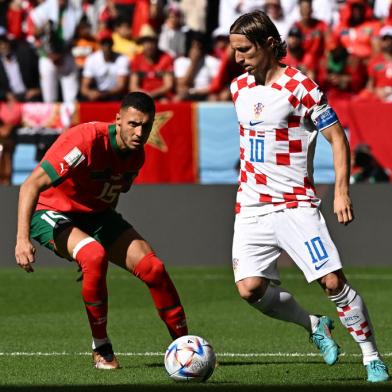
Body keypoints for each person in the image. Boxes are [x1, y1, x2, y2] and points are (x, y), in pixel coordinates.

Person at [229, 11, 389, 383]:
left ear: (269, 44)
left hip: (294, 204)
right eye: (234, 50)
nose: (237, 59)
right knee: (250, 289)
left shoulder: (302, 87)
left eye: (244, 49)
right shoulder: (239, 88)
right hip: (251, 204)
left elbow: (338, 139)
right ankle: (314, 324)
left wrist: (341, 191)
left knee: (332, 282)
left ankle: (371, 357)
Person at [15, 92, 188, 370]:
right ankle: (101, 348)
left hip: (96, 216)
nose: (139, 132)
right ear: (118, 120)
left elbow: (111, 193)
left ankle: (186, 348)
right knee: (94, 255)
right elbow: (31, 185)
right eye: (133, 124)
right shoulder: (85, 142)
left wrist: (92, 239)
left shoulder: (135, 155)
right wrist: (22, 239)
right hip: (49, 212)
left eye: (146, 126)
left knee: (154, 268)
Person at [80, 30, 129, 102]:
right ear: (99, 45)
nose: (106, 46)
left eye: (108, 43)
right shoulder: (92, 59)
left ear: (112, 44)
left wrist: (104, 94)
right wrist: (89, 93)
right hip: (98, 93)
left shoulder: (122, 59)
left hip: (114, 95)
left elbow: (121, 86)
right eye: (103, 43)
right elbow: (84, 87)